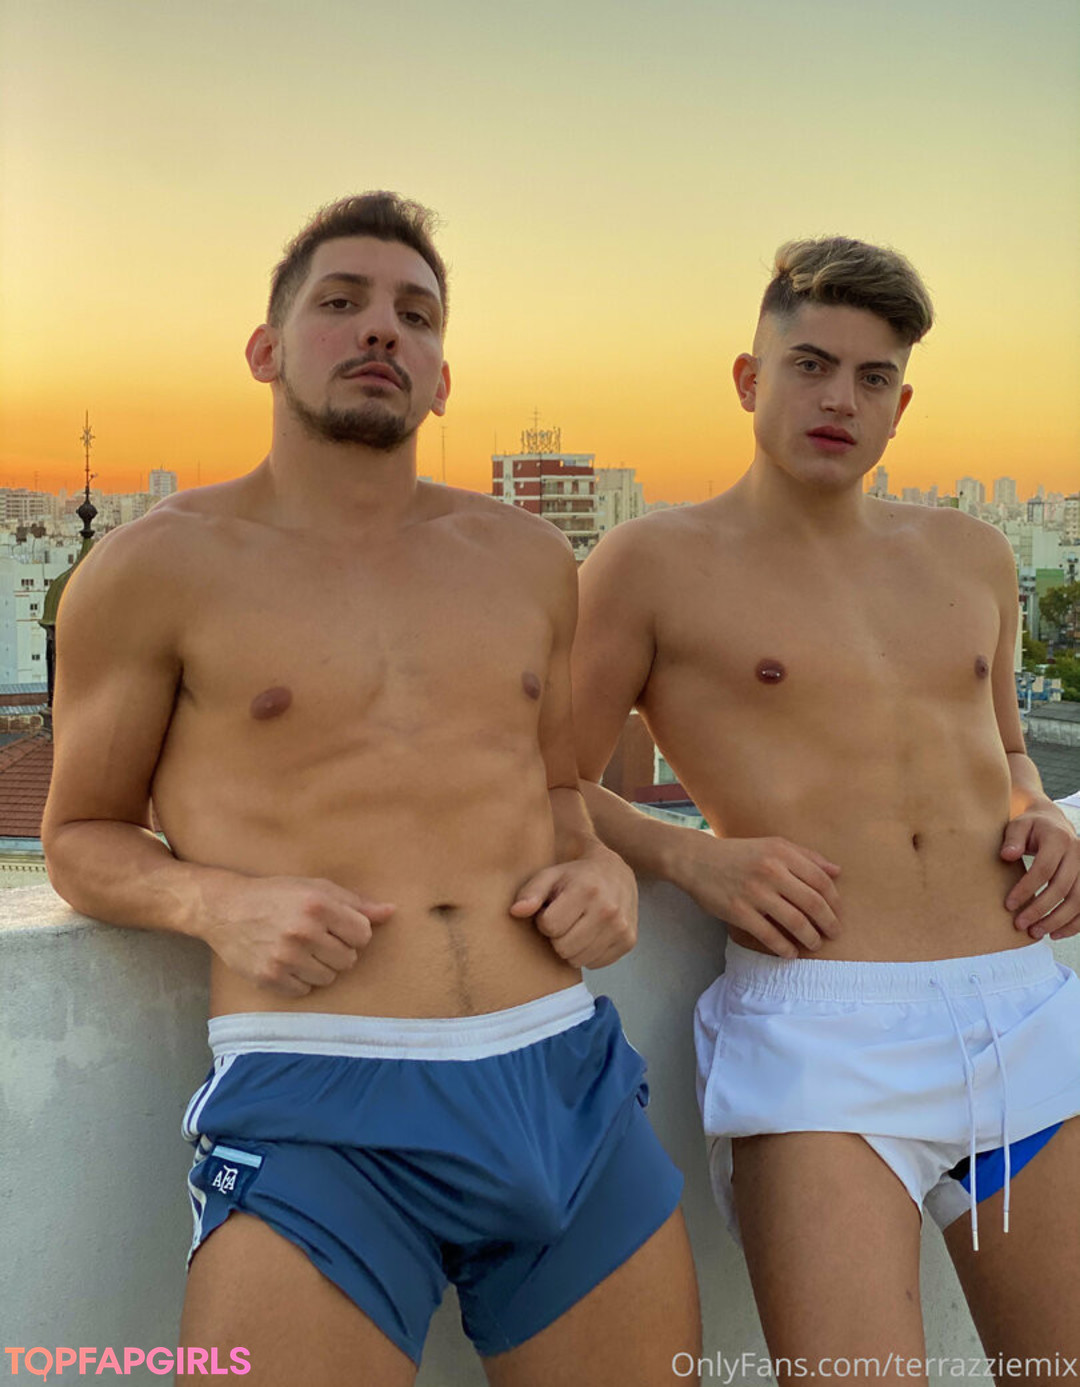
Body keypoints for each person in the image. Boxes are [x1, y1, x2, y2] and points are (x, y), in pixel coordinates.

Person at [42, 192, 700, 1386]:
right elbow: (80, 835)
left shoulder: (528, 560)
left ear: (443, 377)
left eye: (417, 314)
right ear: (266, 348)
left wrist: (601, 864)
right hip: (316, 1093)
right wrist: (213, 903)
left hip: (563, 1075)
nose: (382, 328)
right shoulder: (151, 569)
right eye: (340, 302)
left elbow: (556, 787)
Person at [572, 237, 1080, 1382]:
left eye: (873, 376)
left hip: (1020, 1009)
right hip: (821, 1035)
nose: (841, 398)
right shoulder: (650, 563)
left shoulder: (972, 555)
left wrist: (1044, 814)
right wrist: (690, 859)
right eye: (811, 365)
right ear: (749, 378)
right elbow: (543, 778)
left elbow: (1007, 748)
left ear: (902, 403)